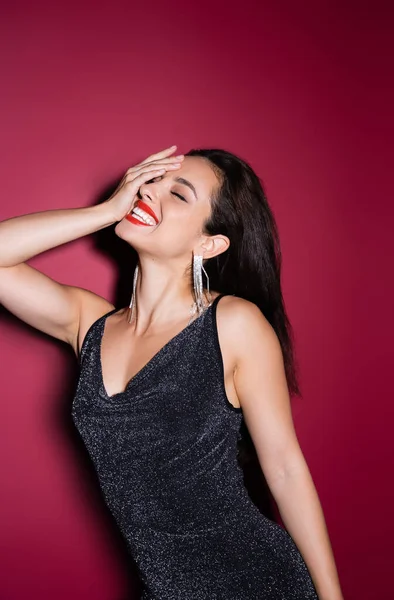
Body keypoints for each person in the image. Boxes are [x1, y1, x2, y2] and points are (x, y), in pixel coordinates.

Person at [0, 145, 344, 599]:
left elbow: (284, 470)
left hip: (254, 581)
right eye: (152, 181)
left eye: (178, 194)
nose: (150, 192)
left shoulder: (234, 323)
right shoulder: (89, 324)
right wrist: (106, 210)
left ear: (210, 243)